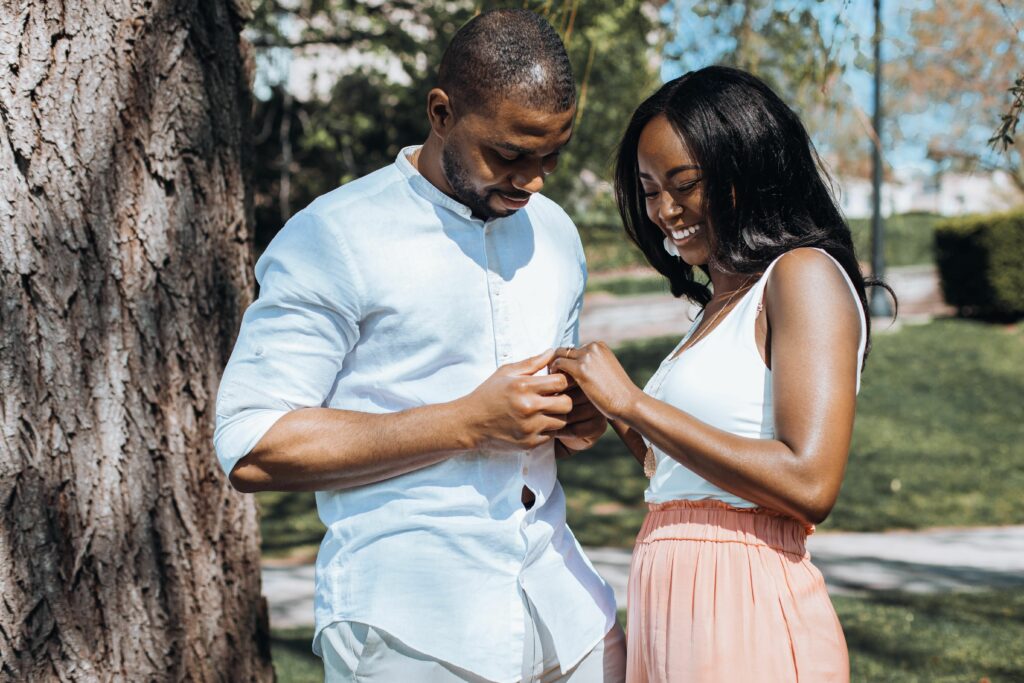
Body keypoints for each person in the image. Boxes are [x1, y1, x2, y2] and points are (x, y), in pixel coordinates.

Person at [213, 9, 624, 683]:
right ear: (441, 113)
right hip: (414, 630)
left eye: (552, 155)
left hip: (568, 615)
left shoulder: (555, 233)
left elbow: (544, 425)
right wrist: (467, 422)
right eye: (511, 155)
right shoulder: (335, 236)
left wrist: (577, 422)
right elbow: (252, 444)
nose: (534, 180)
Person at [549, 66, 892, 682]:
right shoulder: (717, 306)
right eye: (650, 189)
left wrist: (632, 403)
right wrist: (608, 413)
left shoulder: (803, 275)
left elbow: (810, 482)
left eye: (684, 184)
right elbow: (686, 478)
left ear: (747, 170)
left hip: (747, 606)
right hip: (669, 602)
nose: (664, 211)